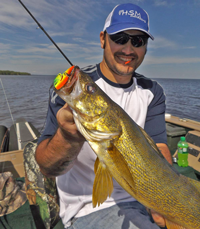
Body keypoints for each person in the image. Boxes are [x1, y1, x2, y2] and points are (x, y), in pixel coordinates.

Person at [36, 3, 172, 229]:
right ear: (102, 39)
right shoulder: (74, 89)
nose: (128, 49)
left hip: (142, 198)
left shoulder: (152, 91)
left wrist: (162, 202)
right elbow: (47, 168)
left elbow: (160, 148)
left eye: (138, 41)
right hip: (91, 207)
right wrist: (69, 136)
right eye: (120, 38)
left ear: (145, 48)